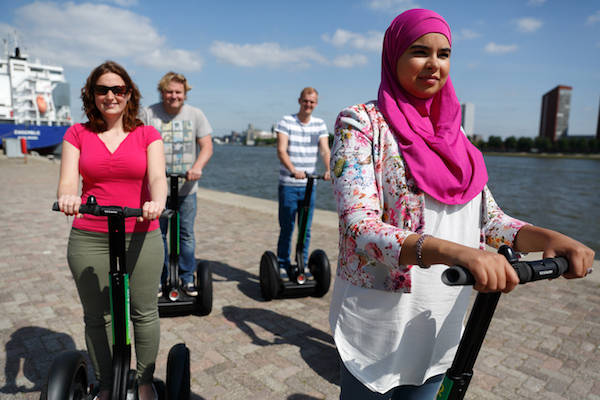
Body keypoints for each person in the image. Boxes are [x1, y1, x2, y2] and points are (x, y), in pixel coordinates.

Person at [328, 9, 595, 400]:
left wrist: (549, 238)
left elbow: (489, 220)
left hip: (442, 317)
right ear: (393, 55)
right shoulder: (362, 124)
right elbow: (359, 226)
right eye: (419, 51)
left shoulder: (457, 137)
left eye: (444, 54)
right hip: (380, 320)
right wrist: (459, 254)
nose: (434, 64)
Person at [57, 61, 167, 400]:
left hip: (141, 230)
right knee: (97, 316)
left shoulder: (147, 134)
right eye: (102, 89)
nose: (110, 96)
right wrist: (67, 197)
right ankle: (105, 385)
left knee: (144, 311)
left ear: (129, 94)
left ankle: (145, 381)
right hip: (90, 233)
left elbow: (157, 178)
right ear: (91, 94)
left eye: (117, 89)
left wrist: (157, 202)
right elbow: (67, 180)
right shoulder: (77, 133)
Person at [141, 72, 213, 297]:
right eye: (169, 91)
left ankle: (186, 278)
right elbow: (136, 143)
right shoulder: (148, 114)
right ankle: (159, 279)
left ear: (185, 94)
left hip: (186, 187)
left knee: (186, 234)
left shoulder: (195, 115)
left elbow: (207, 146)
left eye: (178, 92)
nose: (174, 96)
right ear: (162, 92)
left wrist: (197, 167)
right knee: (157, 235)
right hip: (156, 189)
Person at [275, 87, 331, 273]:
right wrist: (293, 170)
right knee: (287, 228)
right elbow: (281, 150)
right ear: (299, 101)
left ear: (316, 104)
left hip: (309, 185)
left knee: (305, 229)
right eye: (305, 101)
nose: (308, 105)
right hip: (289, 184)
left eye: (312, 102)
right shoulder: (286, 121)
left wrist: (329, 169)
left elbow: (324, 150)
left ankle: (302, 264)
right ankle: (282, 265)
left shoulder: (320, 124)